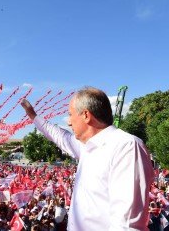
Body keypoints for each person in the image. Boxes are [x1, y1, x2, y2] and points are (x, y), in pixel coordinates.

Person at [21, 87, 154, 231]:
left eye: (70, 115)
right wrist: (33, 116)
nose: (69, 122)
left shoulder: (126, 146)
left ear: (86, 115)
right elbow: (59, 136)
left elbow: (127, 224)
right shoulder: (86, 147)